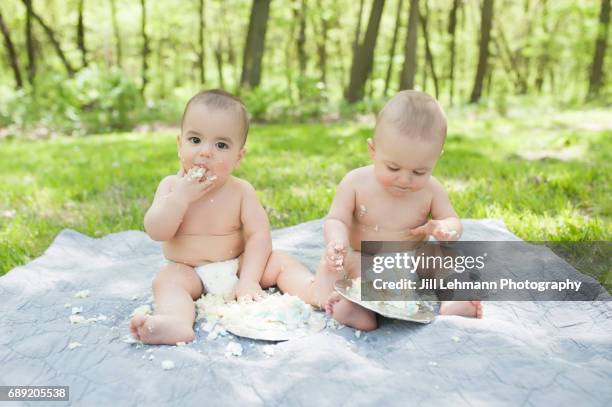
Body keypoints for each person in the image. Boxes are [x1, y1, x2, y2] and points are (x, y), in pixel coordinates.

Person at [283, 90, 483, 331]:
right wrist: (337, 242)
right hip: (364, 258)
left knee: (444, 258)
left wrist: (446, 228)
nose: (405, 179)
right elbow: (337, 219)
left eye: (419, 171)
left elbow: (452, 219)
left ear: (436, 159)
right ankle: (355, 308)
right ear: (373, 150)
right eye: (393, 167)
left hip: (412, 261)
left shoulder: (431, 190)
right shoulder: (355, 182)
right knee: (340, 270)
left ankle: (455, 300)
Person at [129, 89, 300, 344]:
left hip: (238, 267)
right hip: (191, 273)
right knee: (167, 280)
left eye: (221, 145)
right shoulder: (171, 188)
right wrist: (180, 199)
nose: (205, 152)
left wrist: (250, 279)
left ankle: (316, 291)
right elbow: (156, 231)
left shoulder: (241, 191)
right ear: (179, 145)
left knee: (281, 261)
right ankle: (176, 322)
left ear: (238, 157)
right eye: (195, 140)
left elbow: (258, 235)